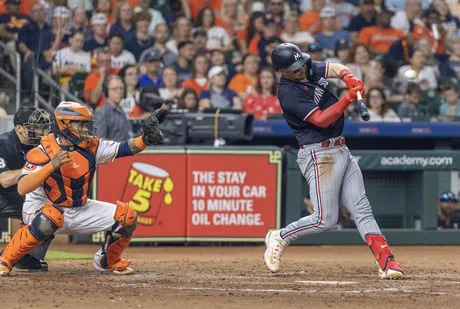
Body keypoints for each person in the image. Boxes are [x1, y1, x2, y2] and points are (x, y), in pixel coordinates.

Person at [265, 42, 404, 280]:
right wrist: (349, 97)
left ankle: (387, 262)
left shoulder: (306, 67)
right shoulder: (288, 93)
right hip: (318, 154)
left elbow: (335, 68)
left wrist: (349, 78)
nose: (301, 70)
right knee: (324, 219)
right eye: (294, 68)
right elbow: (321, 120)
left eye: (301, 64)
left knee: (362, 209)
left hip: (340, 148)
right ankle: (280, 236)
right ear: (282, 71)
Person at [0, 102, 167, 277]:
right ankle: (6, 260)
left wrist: (145, 139)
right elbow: (22, 187)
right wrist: (51, 166)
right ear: (65, 124)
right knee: (49, 217)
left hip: (78, 207)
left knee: (127, 216)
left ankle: (107, 261)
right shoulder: (44, 148)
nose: (86, 128)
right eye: (80, 124)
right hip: (43, 206)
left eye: (86, 123)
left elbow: (125, 148)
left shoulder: (92, 146)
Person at [0, 107, 52, 272]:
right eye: (34, 127)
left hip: (19, 194)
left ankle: (24, 257)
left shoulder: (45, 145)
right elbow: (5, 180)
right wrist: (35, 169)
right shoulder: (3, 143)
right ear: (19, 128)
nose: (41, 131)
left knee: (50, 212)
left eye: (43, 127)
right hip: (3, 190)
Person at [95, 75, 133, 141]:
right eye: (114, 89)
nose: (119, 91)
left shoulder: (122, 111)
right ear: (106, 91)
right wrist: (121, 147)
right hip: (115, 151)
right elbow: (100, 141)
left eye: (121, 88)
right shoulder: (102, 113)